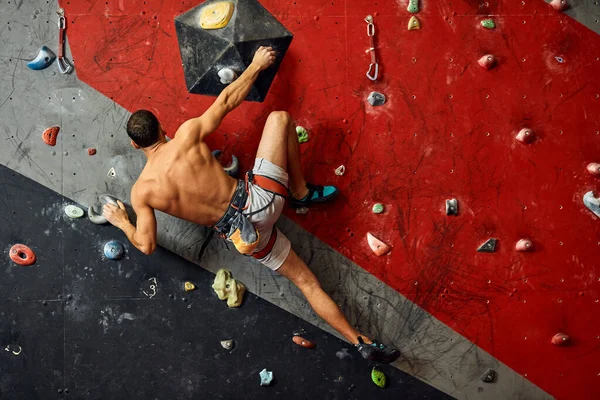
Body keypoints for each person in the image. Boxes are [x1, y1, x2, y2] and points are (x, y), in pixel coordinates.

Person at [103, 46, 400, 364]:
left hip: (245, 239)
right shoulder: (186, 135)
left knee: (305, 282)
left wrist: (123, 221)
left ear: (135, 145)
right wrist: (256, 65)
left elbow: (146, 245)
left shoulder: (141, 193)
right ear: (162, 129)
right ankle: (299, 193)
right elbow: (227, 100)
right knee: (280, 119)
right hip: (261, 200)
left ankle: (359, 342)